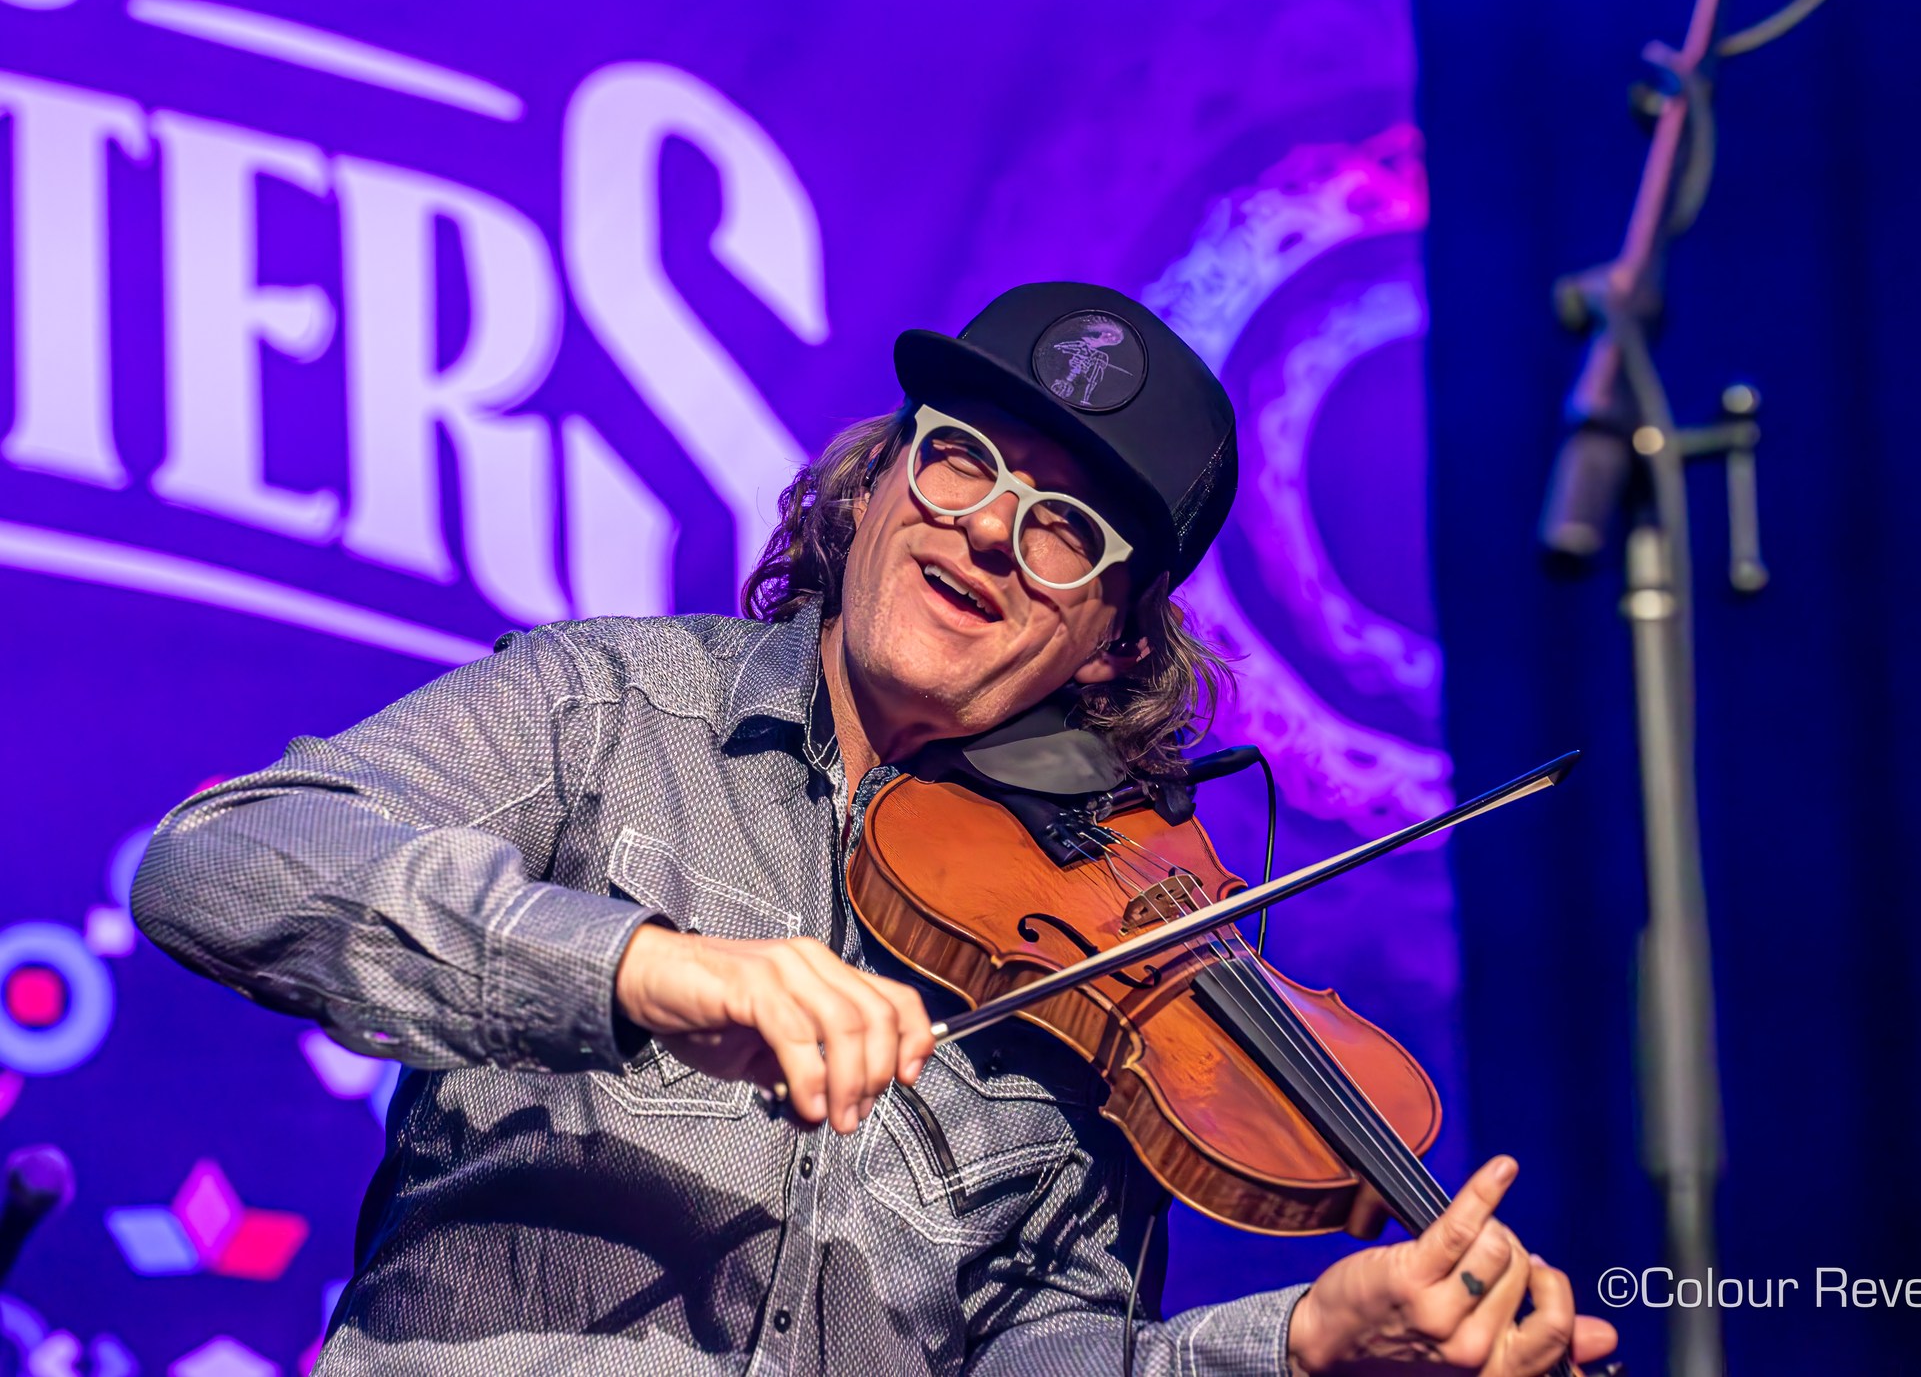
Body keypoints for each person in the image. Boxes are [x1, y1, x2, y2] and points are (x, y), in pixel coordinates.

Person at [133, 282, 1619, 1377]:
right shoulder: (609, 708)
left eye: (1066, 530)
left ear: (1113, 638)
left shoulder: (1107, 981)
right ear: (874, 481)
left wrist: (1295, 1347)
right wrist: (644, 968)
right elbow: (219, 858)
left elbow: (1039, 1354)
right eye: (963, 456)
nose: (987, 530)